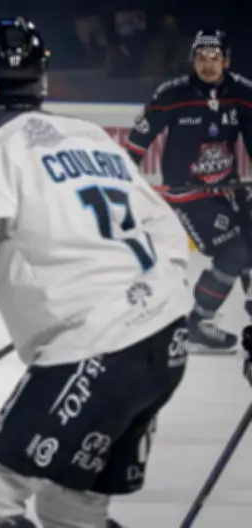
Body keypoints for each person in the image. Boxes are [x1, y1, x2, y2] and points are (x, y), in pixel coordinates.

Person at [0, 17, 191, 527]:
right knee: (71, 507)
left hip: (97, 345)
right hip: (166, 339)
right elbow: (166, 234)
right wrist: (131, 303)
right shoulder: (91, 136)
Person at [124, 28, 252, 355]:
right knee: (234, 253)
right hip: (189, 196)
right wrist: (123, 184)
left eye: (214, 58)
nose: (207, 65)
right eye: (201, 58)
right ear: (192, 60)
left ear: (226, 61)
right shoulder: (172, 94)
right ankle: (198, 322)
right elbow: (136, 145)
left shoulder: (243, 93)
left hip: (230, 189)